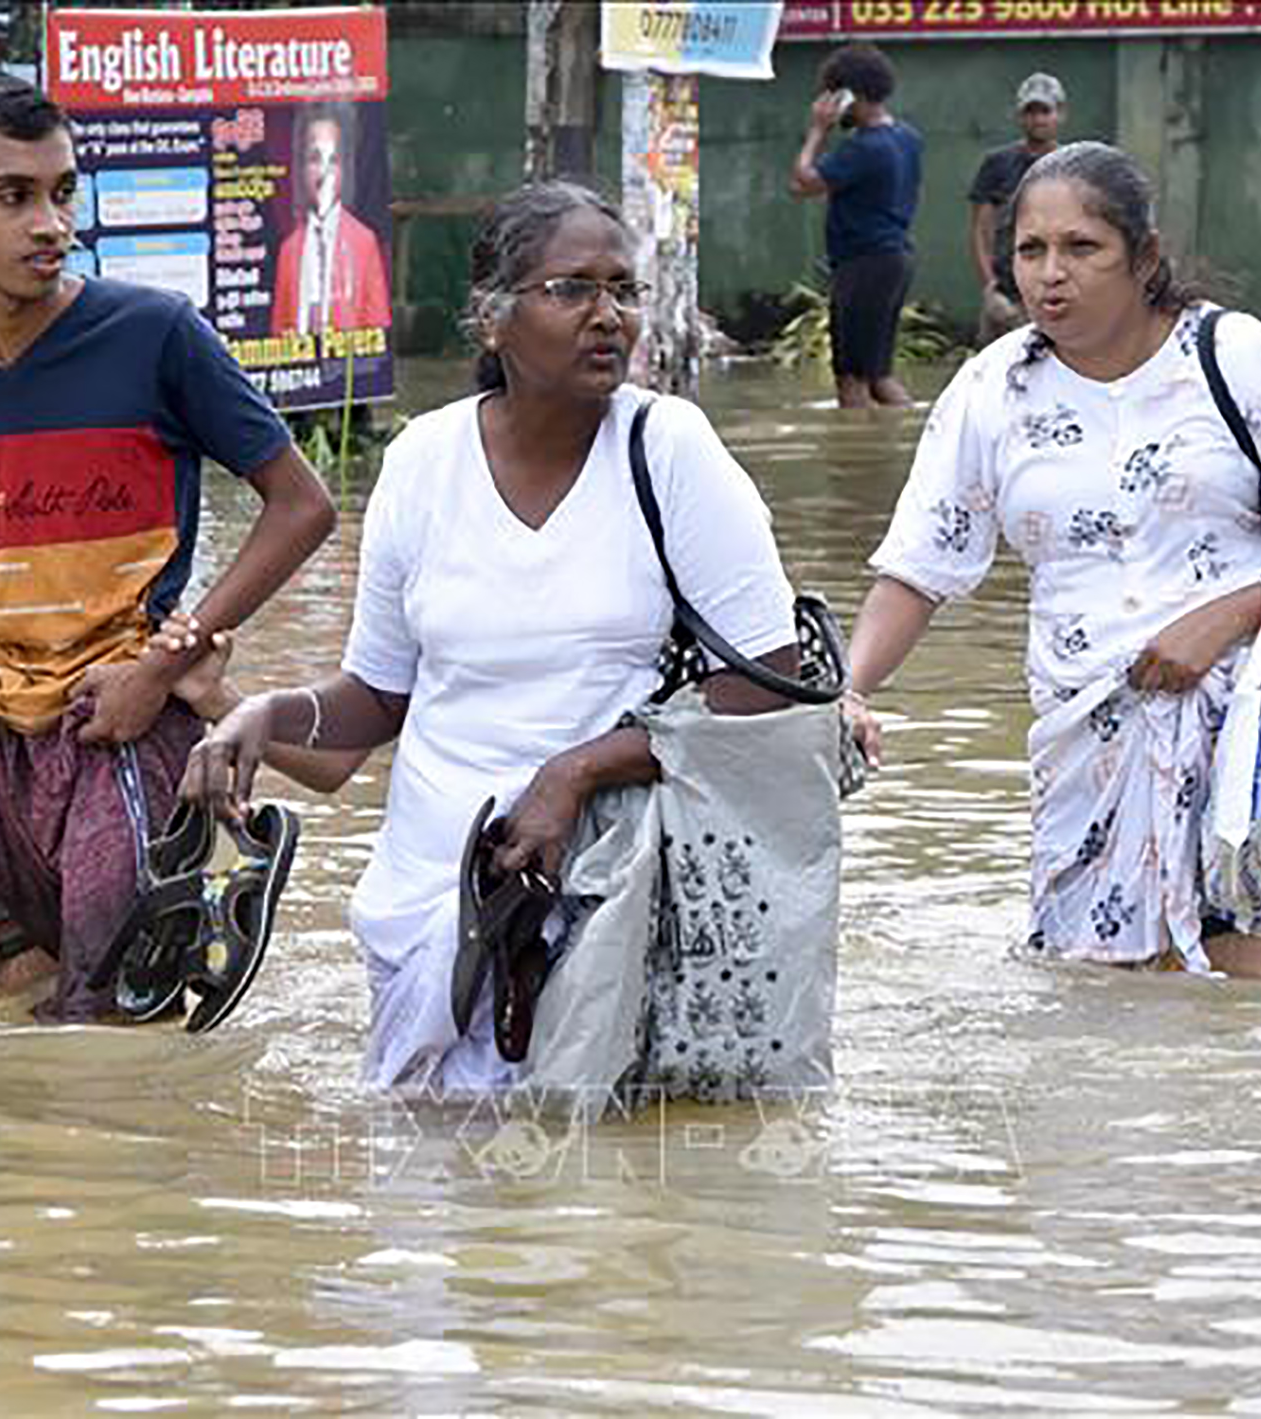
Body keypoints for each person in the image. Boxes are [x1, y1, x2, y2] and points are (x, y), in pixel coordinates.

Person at [184, 181, 801, 1092]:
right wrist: (259, 714)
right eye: (571, 290)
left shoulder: (669, 449)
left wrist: (576, 771)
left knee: (582, 1194)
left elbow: (767, 685)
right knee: (423, 1194)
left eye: (623, 290)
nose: (608, 316)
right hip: (427, 902)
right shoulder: (422, 463)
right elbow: (377, 699)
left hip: (600, 891)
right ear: (491, 321)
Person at [843, 142, 1261, 979]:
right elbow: (920, 568)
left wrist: (1224, 617)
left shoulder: (1233, 356)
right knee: (1104, 1001)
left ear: (1144, 258)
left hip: (1254, 724)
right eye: (1031, 251)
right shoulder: (993, 391)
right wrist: (848, 689)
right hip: (1087, 730)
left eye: (1081, 249)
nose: (1049, 276)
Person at [0, 68, 337, 1022]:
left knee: (110, 1026)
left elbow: (303, 507)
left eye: (62, 192)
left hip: (121, 728)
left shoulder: (154, 334)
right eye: (13, 197)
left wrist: (163, 662)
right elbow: (5, 522)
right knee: (21, 1001)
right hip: (4, 740)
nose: (50, 223)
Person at [788, 43, 923, 409]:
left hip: (864, 265)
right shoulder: (907, 138)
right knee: (878, 377)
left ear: (849, 95)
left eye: (832, 95)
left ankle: (858, 463)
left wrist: (817, 130)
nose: (827, 104)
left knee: (851, 378)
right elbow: (805, 186)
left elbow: (802, 180)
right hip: (894, 260)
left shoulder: (863, 148)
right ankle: (917, 441)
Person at [270, 106, 392, 336]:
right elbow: (279, 329)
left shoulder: (364, 242)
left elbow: (377, 329)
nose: (324, 172)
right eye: (315, 159)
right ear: (302, 168)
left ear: (345, 168)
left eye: (332, 160)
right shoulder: (289, 250)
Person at [969, 71, 1065, 345]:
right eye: (1031, 112)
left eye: (1045, 111)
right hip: (1007, 294)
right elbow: (980, 229)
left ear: (1060, 115)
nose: (1038, 119)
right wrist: (989, 289)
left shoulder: (1074, 165)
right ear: (1020, 116)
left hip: (1053, 295)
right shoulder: (997, 163)